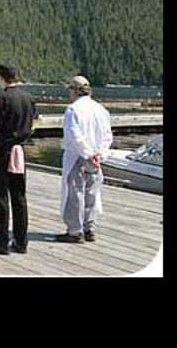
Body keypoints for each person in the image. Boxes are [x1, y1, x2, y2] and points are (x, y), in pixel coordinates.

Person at [0, 63, 36, 255]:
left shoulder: (1, 98)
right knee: (20, 197)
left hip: (3, 152)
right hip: (19, 151)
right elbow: (31, 124)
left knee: (1, 197)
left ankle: (1, 241)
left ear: (1, 77)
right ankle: (21, 241)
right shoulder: (28, 98)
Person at [57, 75, 113, 243]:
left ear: (75, 90)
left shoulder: (73, 110)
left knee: (75, 194)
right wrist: (99, 154)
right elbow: (107, 136)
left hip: (77, 156)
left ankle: (75, 231)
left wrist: (88, 153)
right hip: (95, 156)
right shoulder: (101, 110)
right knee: (92, 193)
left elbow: (75, 136)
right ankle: (89, 227)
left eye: (70, 89)